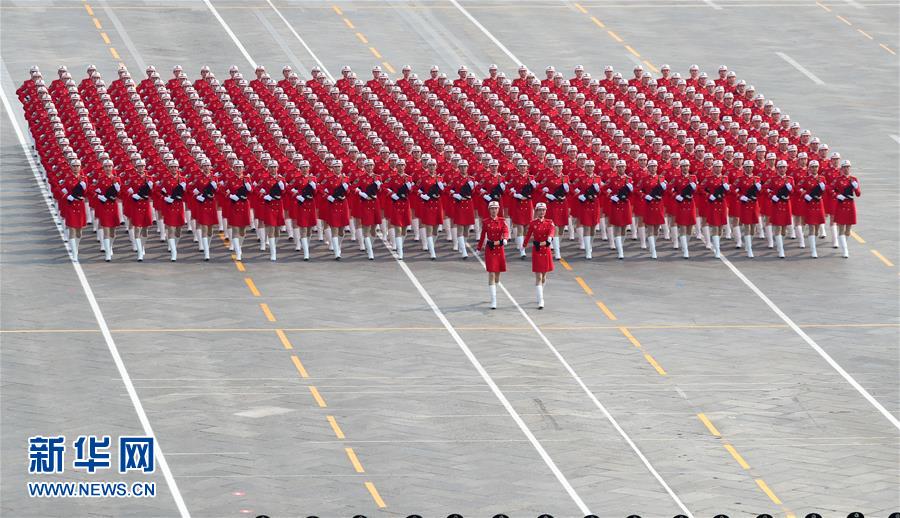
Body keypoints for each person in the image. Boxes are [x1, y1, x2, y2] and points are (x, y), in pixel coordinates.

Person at [476, 201, 509, 309]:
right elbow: (482, 236)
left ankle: (495, 288)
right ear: (489, 210)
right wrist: (479, 248)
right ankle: (493, 300)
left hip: (499, 249)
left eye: (495, 208)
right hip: (490, 250)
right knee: (491, 273)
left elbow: (506, 231)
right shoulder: (485, 222)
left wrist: (504, 239)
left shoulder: (502, 221)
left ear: (498, 209)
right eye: (492, 208)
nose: (494, 210)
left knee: (497, 275)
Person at [523, 203, 555, 309]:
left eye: (543, 210)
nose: (542, 212)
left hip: (546, 250)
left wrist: (550, 238)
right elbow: (528, 234)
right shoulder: (533, 223)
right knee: (538, 276)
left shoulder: (549, 222)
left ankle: (540, 293)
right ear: (536, 211)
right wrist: (524, 245)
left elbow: (552, 231)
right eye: (540, 210)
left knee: (544, 276)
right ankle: (541, 300)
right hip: (537, 251)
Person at [287, 160, 317, 261]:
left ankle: (306, 246)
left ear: (309, 168)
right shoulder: (296, 179)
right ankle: (306, 252)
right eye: (303, 167)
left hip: (311, 205)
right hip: (302, 205)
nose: (305, 169)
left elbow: (317, 191)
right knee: (303, 228)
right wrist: (296, 195)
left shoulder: (313, 178)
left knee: (310, 228)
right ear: (300, 169)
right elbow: (288, 189)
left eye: (306, 167)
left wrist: (313, 185)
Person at [191, 159, 219, 261]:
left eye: (208, 165)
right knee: (204, 228)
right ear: (202, 167)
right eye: (205, 166)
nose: (206, 167)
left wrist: (216, 187)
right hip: (202, 205)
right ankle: (206, 252)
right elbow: (192, 191)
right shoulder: (198, 178)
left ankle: (207, 244)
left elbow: (219, 191)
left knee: (210, 229)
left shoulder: (214, 178)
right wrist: (197, 197)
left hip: (211, 205)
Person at [831, 160, 860, 258]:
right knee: (841, 228)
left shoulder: (854, 179)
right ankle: (845, 250)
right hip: (842, 205)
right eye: (845, 167)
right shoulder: (838, 179)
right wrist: (837, 195)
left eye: (848, 167)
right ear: (842, 169)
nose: (846, 169)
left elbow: (858, 194)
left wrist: (856, 187)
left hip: (850, 205)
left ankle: (844, 245)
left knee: (848, 229)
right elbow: (830, 189)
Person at [765, 160, 794, 258]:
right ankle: (781, 250)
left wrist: (791, 190)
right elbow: (765, 189)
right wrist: (772, 196)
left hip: (786, 205)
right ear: (777, 169)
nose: (782, 169)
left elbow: (794, 191)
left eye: (784, 167)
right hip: (777, 205)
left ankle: (780, 243)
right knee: (777, 227)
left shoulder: (790, 179)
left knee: (784, 229)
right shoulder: (773, 179)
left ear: (786, 168)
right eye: (780, 167)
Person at [126, 159, 153, 262]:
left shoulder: (149, 178)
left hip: (145, 205)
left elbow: (152, 192)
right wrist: (132, 194)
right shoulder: (132, 178)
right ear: (136, 168)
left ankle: (142, 247)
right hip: (136, 205)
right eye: (139, 166)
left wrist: (151, 188)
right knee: (137, 228)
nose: (141, 168)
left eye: (142, 166)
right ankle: (139, 252)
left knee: (145, 229)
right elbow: (127, 190)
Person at [94, 160, 121, 262]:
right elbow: (94, 190)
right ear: (103, 168)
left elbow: (120, 194)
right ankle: (107, 253)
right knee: (106, 230)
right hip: (104, 207)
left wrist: (118, 189)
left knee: (113, 232)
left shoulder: (117, 179)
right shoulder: (100, 179)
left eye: (110, 166)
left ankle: (110, 247)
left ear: (112, 167)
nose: (108, 168)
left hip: (113, 206)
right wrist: (99, 196)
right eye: (106, 166)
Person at [606, 160, 634, 259]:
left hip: (625, 204)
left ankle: (620, 245)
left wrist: (631, 189)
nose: (621, 168)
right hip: (616, 205)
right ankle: (620, 251)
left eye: (622, 166)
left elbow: (632, 193)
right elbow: (606, 190)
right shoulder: (612, 179)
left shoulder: (629, 179)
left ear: (625, 167)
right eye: (619, 167)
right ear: (616, 168)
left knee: (624, 228)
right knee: (617, 227)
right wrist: (612, 197)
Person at [638, 160, 666, 259]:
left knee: (656, 229)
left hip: (659, 205)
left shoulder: (661, 178)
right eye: (651, 166)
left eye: (654, 166)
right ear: (648, 168)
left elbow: (666, 191)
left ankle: (652, 244)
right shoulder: (644, 179)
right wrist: (645, 196)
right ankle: (653, 250)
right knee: (650, 228)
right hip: (649, 205)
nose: (653, 168)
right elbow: (637, 190)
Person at [798, 160, 826, 258]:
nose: (814, 169)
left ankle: (814, 237)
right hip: (810, 205)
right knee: (811, 227)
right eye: (812, 167)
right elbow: (799, 188)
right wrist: (805, 195)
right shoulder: (805, 179)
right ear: (809, 168)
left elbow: (826, 191)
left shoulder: (822, 178)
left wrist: (822, 192)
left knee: (817, 228)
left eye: (816, 167)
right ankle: (813, 250)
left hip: (818, 204)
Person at [701, 160, 729, 258]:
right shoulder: (708, 178)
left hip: (722, 204)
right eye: (716, 167)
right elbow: (701, 188)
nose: (718, 168)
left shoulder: (725, 178)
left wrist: (728, 188)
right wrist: (709, 195)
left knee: (720, 227)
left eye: (719, 167)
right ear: (713, 168)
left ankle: (716, 242)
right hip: (713, 204)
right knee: (715, 226)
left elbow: (730, 191)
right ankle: (717, 249)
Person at [61, 159, 88, 261]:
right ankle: (74, 253)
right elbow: (61, 190)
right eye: (74, 166)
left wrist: (84, 187)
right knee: (72, 229)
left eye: (77, 166)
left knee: (79, 232)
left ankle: (75, 247)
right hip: (71, 206)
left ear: (80, 167)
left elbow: (86, 193)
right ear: (71, 167)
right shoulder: (67, 178)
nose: (76, 167)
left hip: (80, 206)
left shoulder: (84, 178)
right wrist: (68, 197)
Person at [670, 160, 697, 259]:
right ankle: (685, 250)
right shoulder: (676, 178)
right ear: (680, 167)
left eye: (687, 166)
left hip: (690, 204)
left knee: (690, 227)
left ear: (689, 167)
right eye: (683, 166)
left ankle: (685, 243)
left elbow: (697, 190)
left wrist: (694, 187)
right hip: (681, 204)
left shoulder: (693, 177)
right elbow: (670, 190)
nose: (685, 168)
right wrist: (676, 196)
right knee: (682, 227)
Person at [160, 160, 186, 262]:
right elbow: (158, 191)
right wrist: (165, 198)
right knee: (171, 229)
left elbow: (187, 193)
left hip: (179, 206)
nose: (174, 168)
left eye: (175, 167)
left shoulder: (182, 179)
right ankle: (174, 252)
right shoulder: (165, 179)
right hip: (170, 206)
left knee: (178, 230)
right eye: (172, 167)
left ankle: (174, 245)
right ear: (169, 168)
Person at [226, 161, 252, 261]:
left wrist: (248, 186)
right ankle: (238, 252)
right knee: (235, 229)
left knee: (243, 230)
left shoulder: (247, 179)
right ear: (233, 168)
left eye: (240, 167)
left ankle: (239, 246)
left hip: (244, 205)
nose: (238, 169)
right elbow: (223, 189)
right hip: (234, 206)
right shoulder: (230, 179)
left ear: (243, 168)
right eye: (236, 167)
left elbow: (251, 191)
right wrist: (230, 195)